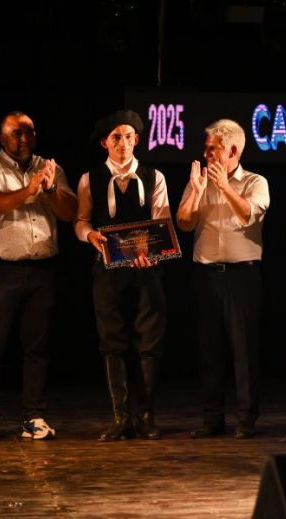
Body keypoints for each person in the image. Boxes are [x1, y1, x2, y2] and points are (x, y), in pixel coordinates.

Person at [0, 111, 77, 441]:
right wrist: (29, 191)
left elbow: (71, 212)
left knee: (37, 347)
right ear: (3, 139)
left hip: (41, 269)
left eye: (29, 131)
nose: (25, 137)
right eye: (17, 132)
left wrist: (51, 188)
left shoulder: (50, 167)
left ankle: (34, 416)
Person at [76, 109, 171, 441]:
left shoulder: (154, 176)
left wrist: (153, 251)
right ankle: (121, 416)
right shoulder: (91, 178)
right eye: (116, 137)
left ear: (137, 140)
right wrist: (90, 237)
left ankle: (146, 415)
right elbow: (82, 220)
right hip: (108, 268)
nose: (123, 143)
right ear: (105, 142)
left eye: (129, 136)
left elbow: (162, 222)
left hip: (147, 269)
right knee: (112, 341)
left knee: (149, 341)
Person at [177, 119, 270, 439]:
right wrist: (197, 192)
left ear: (232, 150)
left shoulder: (256, 182)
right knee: (209, 348)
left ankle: (246, 419)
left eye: (212, 148)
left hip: (242, 276)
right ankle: (212, 419)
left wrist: (225, 188)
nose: (206, 153)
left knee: (244, 350)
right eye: (205, 148)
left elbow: (247, 215)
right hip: (206, 276)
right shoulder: (198, 180)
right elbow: (184, 224)